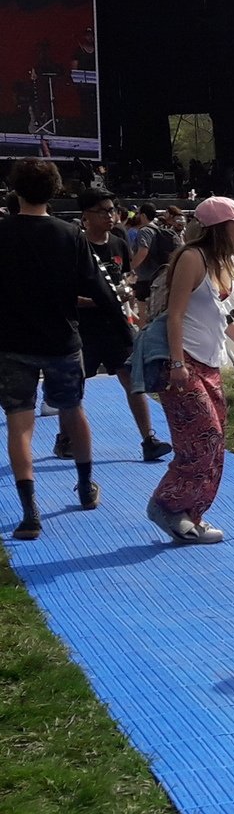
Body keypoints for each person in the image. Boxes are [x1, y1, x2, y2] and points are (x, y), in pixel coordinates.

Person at [0, 159, 132, 540]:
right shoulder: (69, 235)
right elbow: (97, 287)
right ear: (57, 191)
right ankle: (86, 487)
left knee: (19, 423)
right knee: (73, 410)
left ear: (15, 190)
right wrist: (122, 327)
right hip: (61, 339)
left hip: (11, 343)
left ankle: (30, 512)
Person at [146, 196, 234, 544]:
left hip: (211, 363)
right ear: (219, 227)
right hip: (185, 364)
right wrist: (176, 363)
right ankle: (166, 505)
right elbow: (175, 314)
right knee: (203, 440)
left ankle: (190, 514)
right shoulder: (192, 258)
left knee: (215, 445)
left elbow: (222, 316)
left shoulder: (221, 262)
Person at [70, 189, 171, 464]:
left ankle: (149, 438)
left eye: (113, 210)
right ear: (85, 216)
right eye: (103, 211)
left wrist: (125, 290)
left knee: (132, 379)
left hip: (117, 325)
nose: (110, 215)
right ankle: (66, 435)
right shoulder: (75, 246)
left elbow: (128, 273)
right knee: (75, 385)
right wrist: (96, 301)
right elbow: (63, 291)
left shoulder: (119, 242)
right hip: (84, 328)